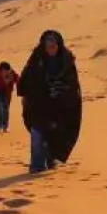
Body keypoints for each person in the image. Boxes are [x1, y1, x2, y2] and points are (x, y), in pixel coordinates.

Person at [17, 30, 82, 173]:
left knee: (55, 134)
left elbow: (72, 84)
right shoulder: (36, 59)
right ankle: (37, 166)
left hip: (59, 106)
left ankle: (50, 159)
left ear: (59, 45)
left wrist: (63, 90)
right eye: (48, 44)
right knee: (37, 133)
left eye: (54, 44)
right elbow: (27, 78)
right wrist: (26, 96)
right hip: (38, 104)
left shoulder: (66, 60)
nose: (51, 47)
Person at [0, 61, 19, 134]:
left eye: (8, 70)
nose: (7, 71)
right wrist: (8, 79)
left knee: (6, 110)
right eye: (5, 70)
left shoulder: (11, 71)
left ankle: (5, 127)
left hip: (7, 93)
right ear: (2, 69)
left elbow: (18, 79)